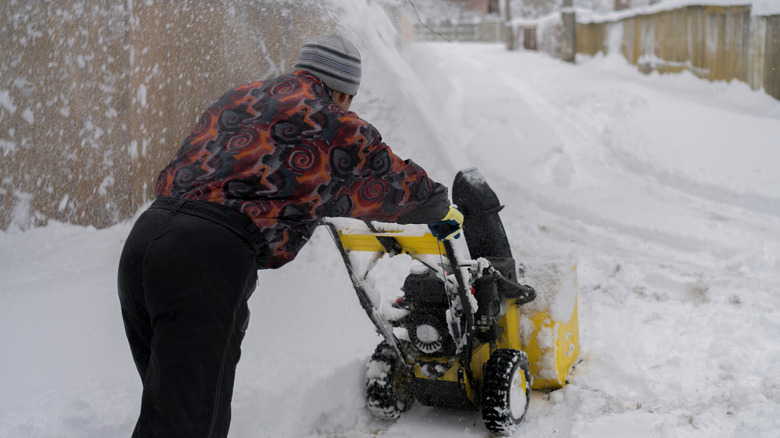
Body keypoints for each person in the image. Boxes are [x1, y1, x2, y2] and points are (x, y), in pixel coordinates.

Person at [117, 33, 463, 437]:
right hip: (204, 261)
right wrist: (441, 206)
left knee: (169, 413)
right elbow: (393, 184)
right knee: (189, 425)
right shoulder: (331, 121)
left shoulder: (240, 97)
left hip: (145, 240)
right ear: (343, 92)